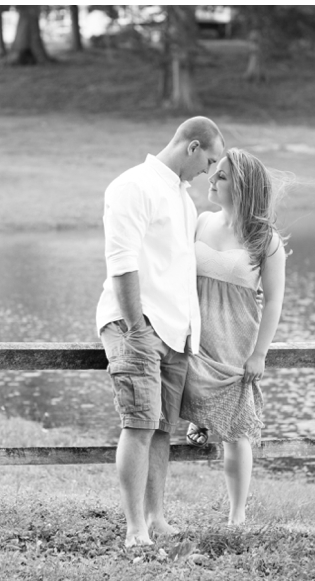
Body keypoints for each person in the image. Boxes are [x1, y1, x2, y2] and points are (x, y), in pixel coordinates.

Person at [96, 117, 225, 547]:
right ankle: (134, 529)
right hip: (138, 325)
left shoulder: (183, 199)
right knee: (139, 423)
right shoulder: (133, 186)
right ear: (191, 147)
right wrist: (136, 329)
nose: (208, 171)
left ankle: (156, 518)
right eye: (208, 160)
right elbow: (122, 262)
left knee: (162, 429)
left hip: (174, 332)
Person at [180, 148, 288, 526]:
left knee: (238, 433)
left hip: (236, 340)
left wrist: (259, 354)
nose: (211, 179)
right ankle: (200, 419)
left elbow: (274, 301)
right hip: (196, 335)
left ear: (242, 188)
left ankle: (236, 516)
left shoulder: (265, 240)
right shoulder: (201, 222)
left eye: (222, 177)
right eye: (214, 173)